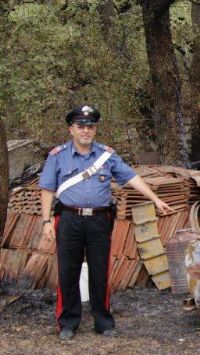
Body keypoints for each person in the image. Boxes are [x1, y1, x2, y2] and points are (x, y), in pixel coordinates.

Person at [40, 105, 173, 341]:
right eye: (80, 126)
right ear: (71, 129)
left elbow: (131, 177)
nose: (86, 131)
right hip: (69, 218)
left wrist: (156, 199)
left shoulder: (107, 155)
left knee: (100, 271)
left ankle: (103, 321)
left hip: (99, 220)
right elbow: (47, 189)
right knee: (67, 271)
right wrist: (46, 221)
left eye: (90, 126)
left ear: (95, 129)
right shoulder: (57, 156)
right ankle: (68, 322)